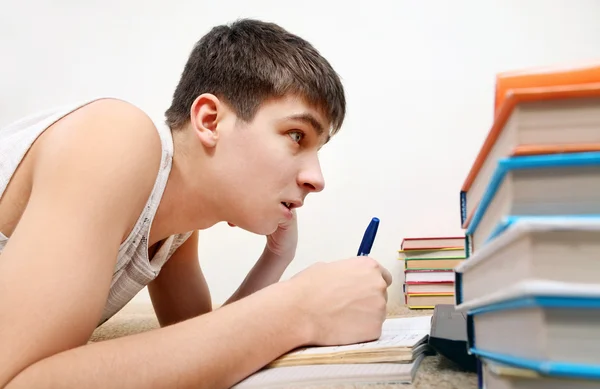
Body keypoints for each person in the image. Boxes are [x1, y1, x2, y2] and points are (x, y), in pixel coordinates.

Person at [0, 19, 392, 388]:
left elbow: (200, 346)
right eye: (296, 135)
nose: (317, 179)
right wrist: (300, 309)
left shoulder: (176, 226)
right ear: (209, 120)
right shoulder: (114, 136)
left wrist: (276, 259)